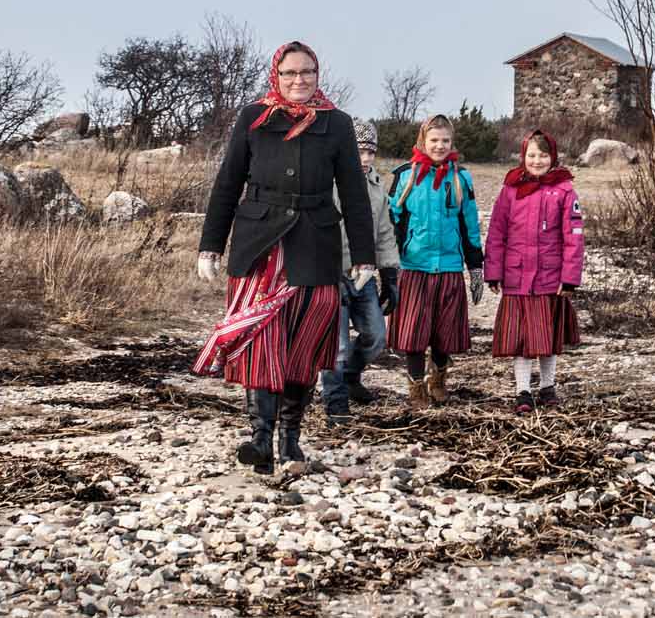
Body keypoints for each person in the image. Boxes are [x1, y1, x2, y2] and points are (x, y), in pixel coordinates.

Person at [192, 42, 376, 473]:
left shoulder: (337, 123)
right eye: (290, 73)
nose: (299, 80)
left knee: (304, 345)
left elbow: (354, 194)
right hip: (259, 244)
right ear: (276, 75)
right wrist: (210, 245)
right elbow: (227, 183)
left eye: (307, 72)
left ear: (317, 74)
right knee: (260, 340)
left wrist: (364, 257)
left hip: (315, 244)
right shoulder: (253, 117)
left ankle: (290, 439)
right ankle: (260, 438)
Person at [386, 114, 484, 409]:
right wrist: (388, 264)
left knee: (444, 333)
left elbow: (469, 225)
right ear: (423, 141)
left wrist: (475, 267)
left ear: (452, 143)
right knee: (414, 334)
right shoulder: (405, 176)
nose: (439, 146)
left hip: (449, 266)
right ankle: (416, 386)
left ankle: (438, 378)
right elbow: (392, 222)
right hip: (414, 266)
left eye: (445, 141)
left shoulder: (461, 178)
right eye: (434, 140)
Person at [484, 129, 584, 413]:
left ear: (553, 157)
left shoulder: (564, 191)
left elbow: (574, 237)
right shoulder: (510, 189)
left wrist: (569, 278)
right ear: (523, 156)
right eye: (532, 155)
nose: (537, 161)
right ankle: (523, 391)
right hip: (517, 279)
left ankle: (548, 387)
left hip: (549, 280)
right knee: (522, 340)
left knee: (547, 338)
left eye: (543, 155)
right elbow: (496, 232)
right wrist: (493, 272)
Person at [321, 118, 400, 422]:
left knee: (376, 336)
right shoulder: (328, 183)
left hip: (364, 275)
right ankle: (335, 400)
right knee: (337, 344)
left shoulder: (377, 188)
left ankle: (351, 376)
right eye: (359, 152)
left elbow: (384, 232)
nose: (365, 159)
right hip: (333, 273)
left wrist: (389, 274)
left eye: (370, 152)